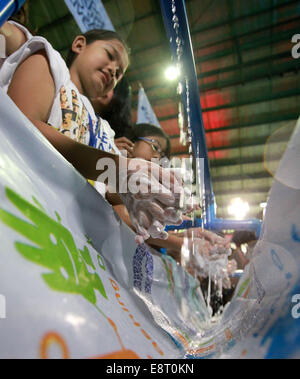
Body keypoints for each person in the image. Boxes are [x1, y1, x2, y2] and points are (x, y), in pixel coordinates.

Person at [0, 22, 184, 243]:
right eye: (109, 55)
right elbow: (20, 126)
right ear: (79, 44)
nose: (113, 70)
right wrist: (117, 169)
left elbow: (107, 187)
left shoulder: (104, 130)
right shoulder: (49, 61)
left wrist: (143, 192)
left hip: (61, 231)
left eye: (119, 74)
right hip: (16, 200)